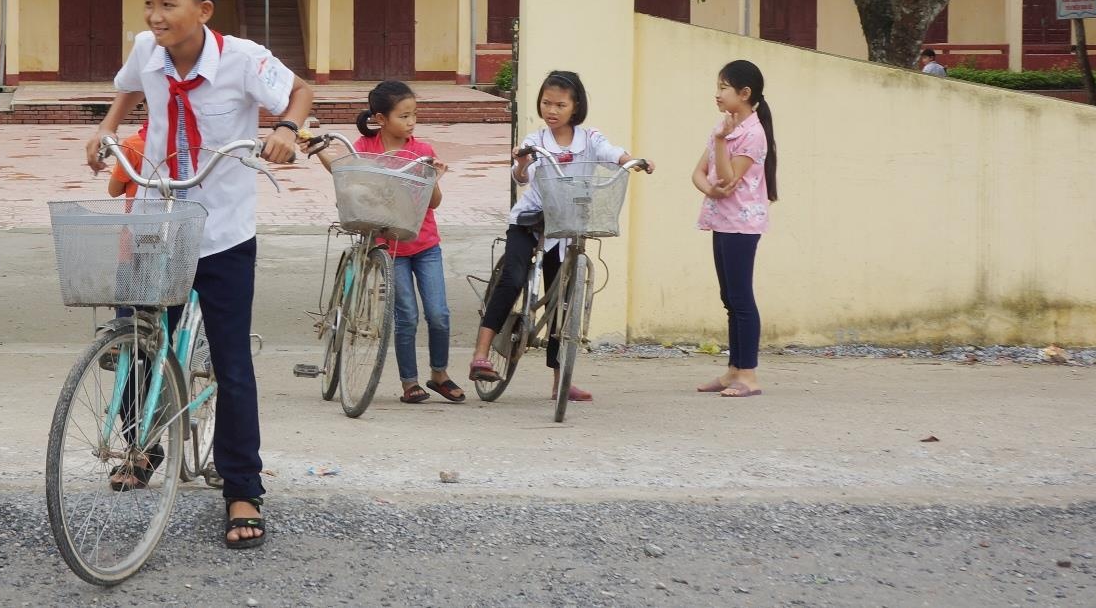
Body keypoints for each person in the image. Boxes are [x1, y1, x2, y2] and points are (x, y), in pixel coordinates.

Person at [84, 0, 314, 551]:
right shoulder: (146, 51)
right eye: (149, 4)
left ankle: (242, 487)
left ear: (203, 9)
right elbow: (129, 93)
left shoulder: (242, 60)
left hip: (223, 231)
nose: (155, 16)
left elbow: (301, 92)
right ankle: (143, 445)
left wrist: (286, 128)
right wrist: (107, 129)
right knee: (142, 341)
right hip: (156, 217)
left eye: (168, 3)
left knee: (233, 364)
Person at [468, 70, 652, 400]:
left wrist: (632, 161)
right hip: (530, 221)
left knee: (563, 299)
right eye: (546, 103)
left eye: (560, 105)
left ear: (575, 106)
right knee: (512, 278)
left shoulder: (589, 139)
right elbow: (522, 176)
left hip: (566, 226)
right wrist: (522, 163)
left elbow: (611, 152)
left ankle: (559, 382)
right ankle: (480, 354)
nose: (552, 110)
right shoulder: (536, 141)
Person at [314, 81, 459, 404]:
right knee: (405, 314)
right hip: (388, 246)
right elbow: (344, 173)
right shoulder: (365, 147)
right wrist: (318, 150)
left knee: (439, 313)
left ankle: (439, 373)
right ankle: (410, 382)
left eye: (414, 115)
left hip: (424, 243)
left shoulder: (422, 151)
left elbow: (433, 202)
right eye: (404, 116)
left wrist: (434, 178)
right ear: (381, 118)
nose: (411, 123)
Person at [691, 58, 778, 399]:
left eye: (723, 88)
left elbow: (728, 177)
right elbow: (699, 173)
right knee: (729, 297)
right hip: (721, 219)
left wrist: (722, 142)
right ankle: (733, 370)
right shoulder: (725, 127)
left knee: (741, 297)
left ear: (745, 93)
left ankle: (750, 375)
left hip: (742, 224)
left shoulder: (752, 134)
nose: (717, 94)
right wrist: (709, 188)